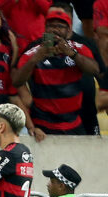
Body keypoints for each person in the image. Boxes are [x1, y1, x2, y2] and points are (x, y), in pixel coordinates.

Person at [13, 8, 100, 140]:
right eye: (51, 26)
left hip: (74, 124)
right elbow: (17, 81)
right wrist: (36, 59)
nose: (55, 30)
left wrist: (72, 54)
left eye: (60, 26)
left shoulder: (79, 48)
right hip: (42, 128)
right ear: (45, 29)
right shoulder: (34, 51)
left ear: (69, 30)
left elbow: (94, 70)